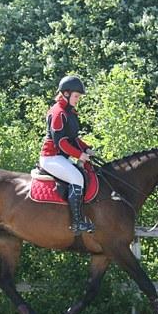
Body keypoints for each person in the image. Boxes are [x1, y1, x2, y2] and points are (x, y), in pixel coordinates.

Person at [39, 75, 96, 234]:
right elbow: (61, 143)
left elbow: (74, 138)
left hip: (60, 157)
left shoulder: (69, 112)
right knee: (77, 178)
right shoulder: (58, 113)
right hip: (50, 158)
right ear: (66, 94)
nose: (77, 99)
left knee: (85, 173)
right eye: (76, 96)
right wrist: (79, 155)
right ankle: (77, 223)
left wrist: (87, 149)